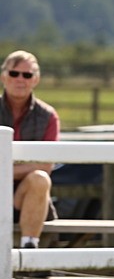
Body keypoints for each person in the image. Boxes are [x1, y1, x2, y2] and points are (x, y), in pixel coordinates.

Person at [1, 50, 59, 249]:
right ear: (3, 76)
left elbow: (46, 166)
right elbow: (39, 163)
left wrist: (5, 170)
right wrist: (29, 166)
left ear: (36, 79)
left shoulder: (48, 116)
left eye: (27, 75)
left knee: (39, 179)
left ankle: (30, 251)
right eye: (14, 73)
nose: (20, 79)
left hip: (28, 197)